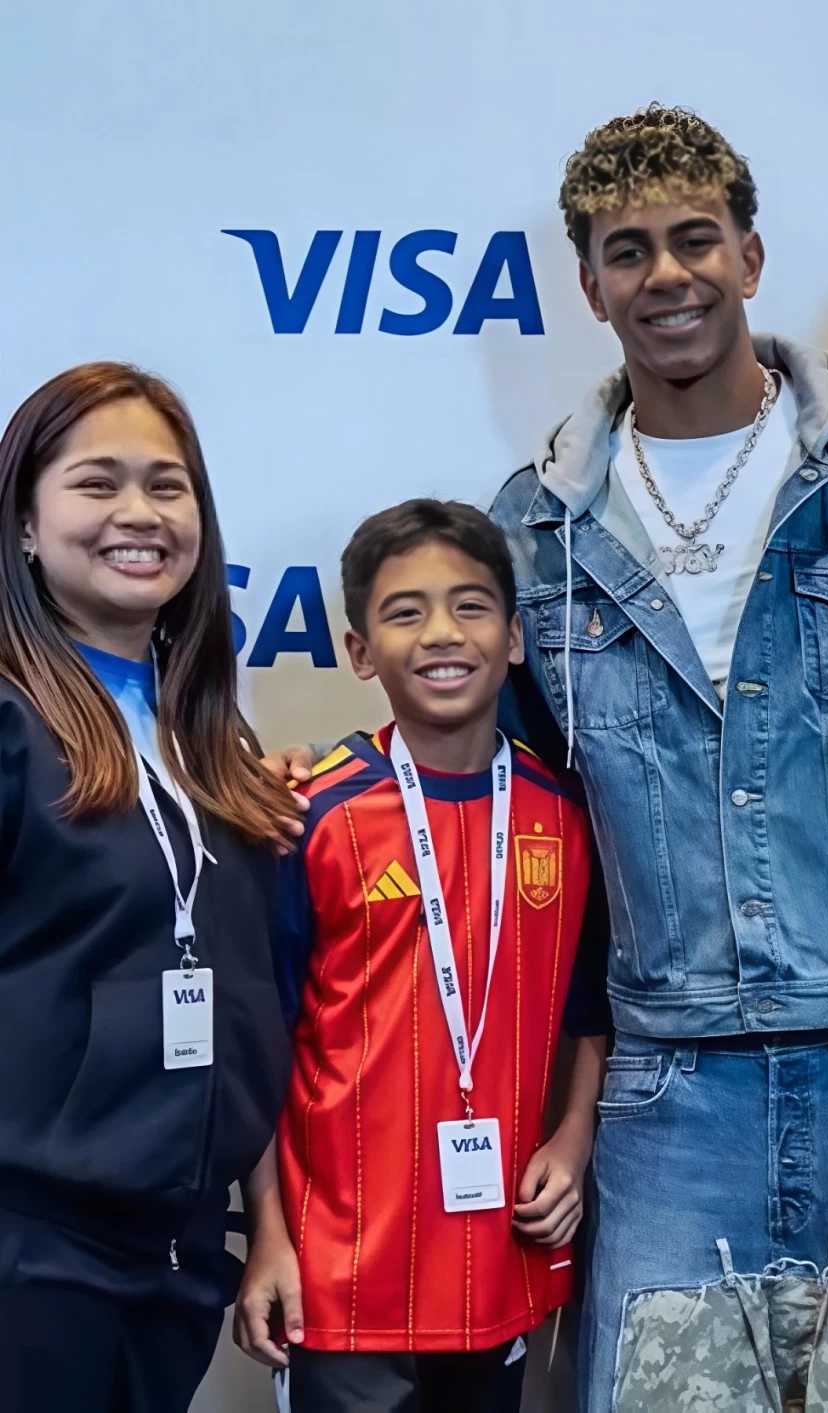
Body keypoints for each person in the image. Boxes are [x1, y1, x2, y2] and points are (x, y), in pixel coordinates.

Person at [487, 104, 828, 1411]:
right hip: (663, 1106)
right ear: (591, 285)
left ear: (751, 259)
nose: (667, 275)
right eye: (629, 250)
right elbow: (522, 842)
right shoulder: (534, 530)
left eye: (695, 239)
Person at [237, 499, 607, 1413]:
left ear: (516, 637)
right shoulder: (310, 817)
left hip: (499, 1267)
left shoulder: (565, 813)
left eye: (471, 605)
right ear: (360, 651)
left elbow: (591, 1007)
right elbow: (258, 1046)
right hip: (342, 1277)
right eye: (405, 612)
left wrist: (574, 1136)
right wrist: (268, 1238)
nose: (443, 633)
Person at [0, 362, 297, 1413]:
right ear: (26, 525)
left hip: (173, 1261)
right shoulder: (10, 723)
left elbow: (253, 998)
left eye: (168, 486)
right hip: (31, 1264)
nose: (140, 513)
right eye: (97, 483)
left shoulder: (216, 747)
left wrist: (264, 1223)